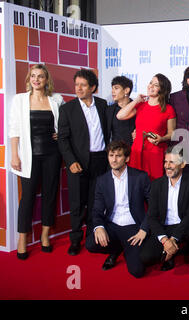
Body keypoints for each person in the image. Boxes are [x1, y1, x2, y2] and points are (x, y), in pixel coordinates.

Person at [8, 64, 65, 259]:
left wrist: (61, 134)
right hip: (28, 156)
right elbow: (14, 128)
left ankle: (45, 235)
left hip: (52, 154)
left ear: (46, 79)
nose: (36, 79)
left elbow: (65, 123)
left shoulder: (56, 100)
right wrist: (14, 155)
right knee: (27, 198)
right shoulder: (20, 100)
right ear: (29, 79)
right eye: (33, 76)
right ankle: (22, 238)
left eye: (40, 76)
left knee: (50, 195)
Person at [58, 69, 110, 256]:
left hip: (101, 161)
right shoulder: (67, 109)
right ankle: (75, 239)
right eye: (76, 84)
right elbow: (62, 139)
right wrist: (70, 161)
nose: (78, 88)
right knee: (77, 203)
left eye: (83, 85)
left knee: (96, 201)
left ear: (93, 88)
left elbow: (112, 129)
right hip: (78, 162)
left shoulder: (104, 105)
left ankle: (92, 236)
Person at [86, 140, 151, 278]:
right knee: (91, 244)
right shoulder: (102, 181)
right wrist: (98, 227)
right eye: (111, 155)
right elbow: (97, 210)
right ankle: (117, 248)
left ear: (126, 158)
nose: (114, 160)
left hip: (133, 226)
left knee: (137, 271)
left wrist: (144, 229)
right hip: (112, 224)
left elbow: (154, 206)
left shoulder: (140, 177)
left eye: (118, 156)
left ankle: (124, 248)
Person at [139, 146, 189, 271]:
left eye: (171, 162)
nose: (167, 166)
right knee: (145, 257)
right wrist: (165, 240)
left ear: (183, 164)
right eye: (165, 162)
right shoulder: (156, 184)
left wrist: (173, 239)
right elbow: (151, 216)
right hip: (164, 228)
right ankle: (174, 250)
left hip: (184, 226)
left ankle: (183, 249)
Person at [117, 74, 175, 181]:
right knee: (135, 186)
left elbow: (172, 133)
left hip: (155, 153)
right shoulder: (141, 105)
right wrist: (136, 101)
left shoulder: (168, 109)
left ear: (162, 89)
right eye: (150, 83)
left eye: (156, 85)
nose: (151, 86)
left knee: (154, 186)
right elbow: (120, 116)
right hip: (137, 152)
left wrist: (161, 138)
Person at [107, 76, 135, 147]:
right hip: (116, 153)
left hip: (135, 151)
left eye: (116, 88)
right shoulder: (109, 110)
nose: (112, 91)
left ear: (126, 90)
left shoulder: (138, 108)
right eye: (112, 88)